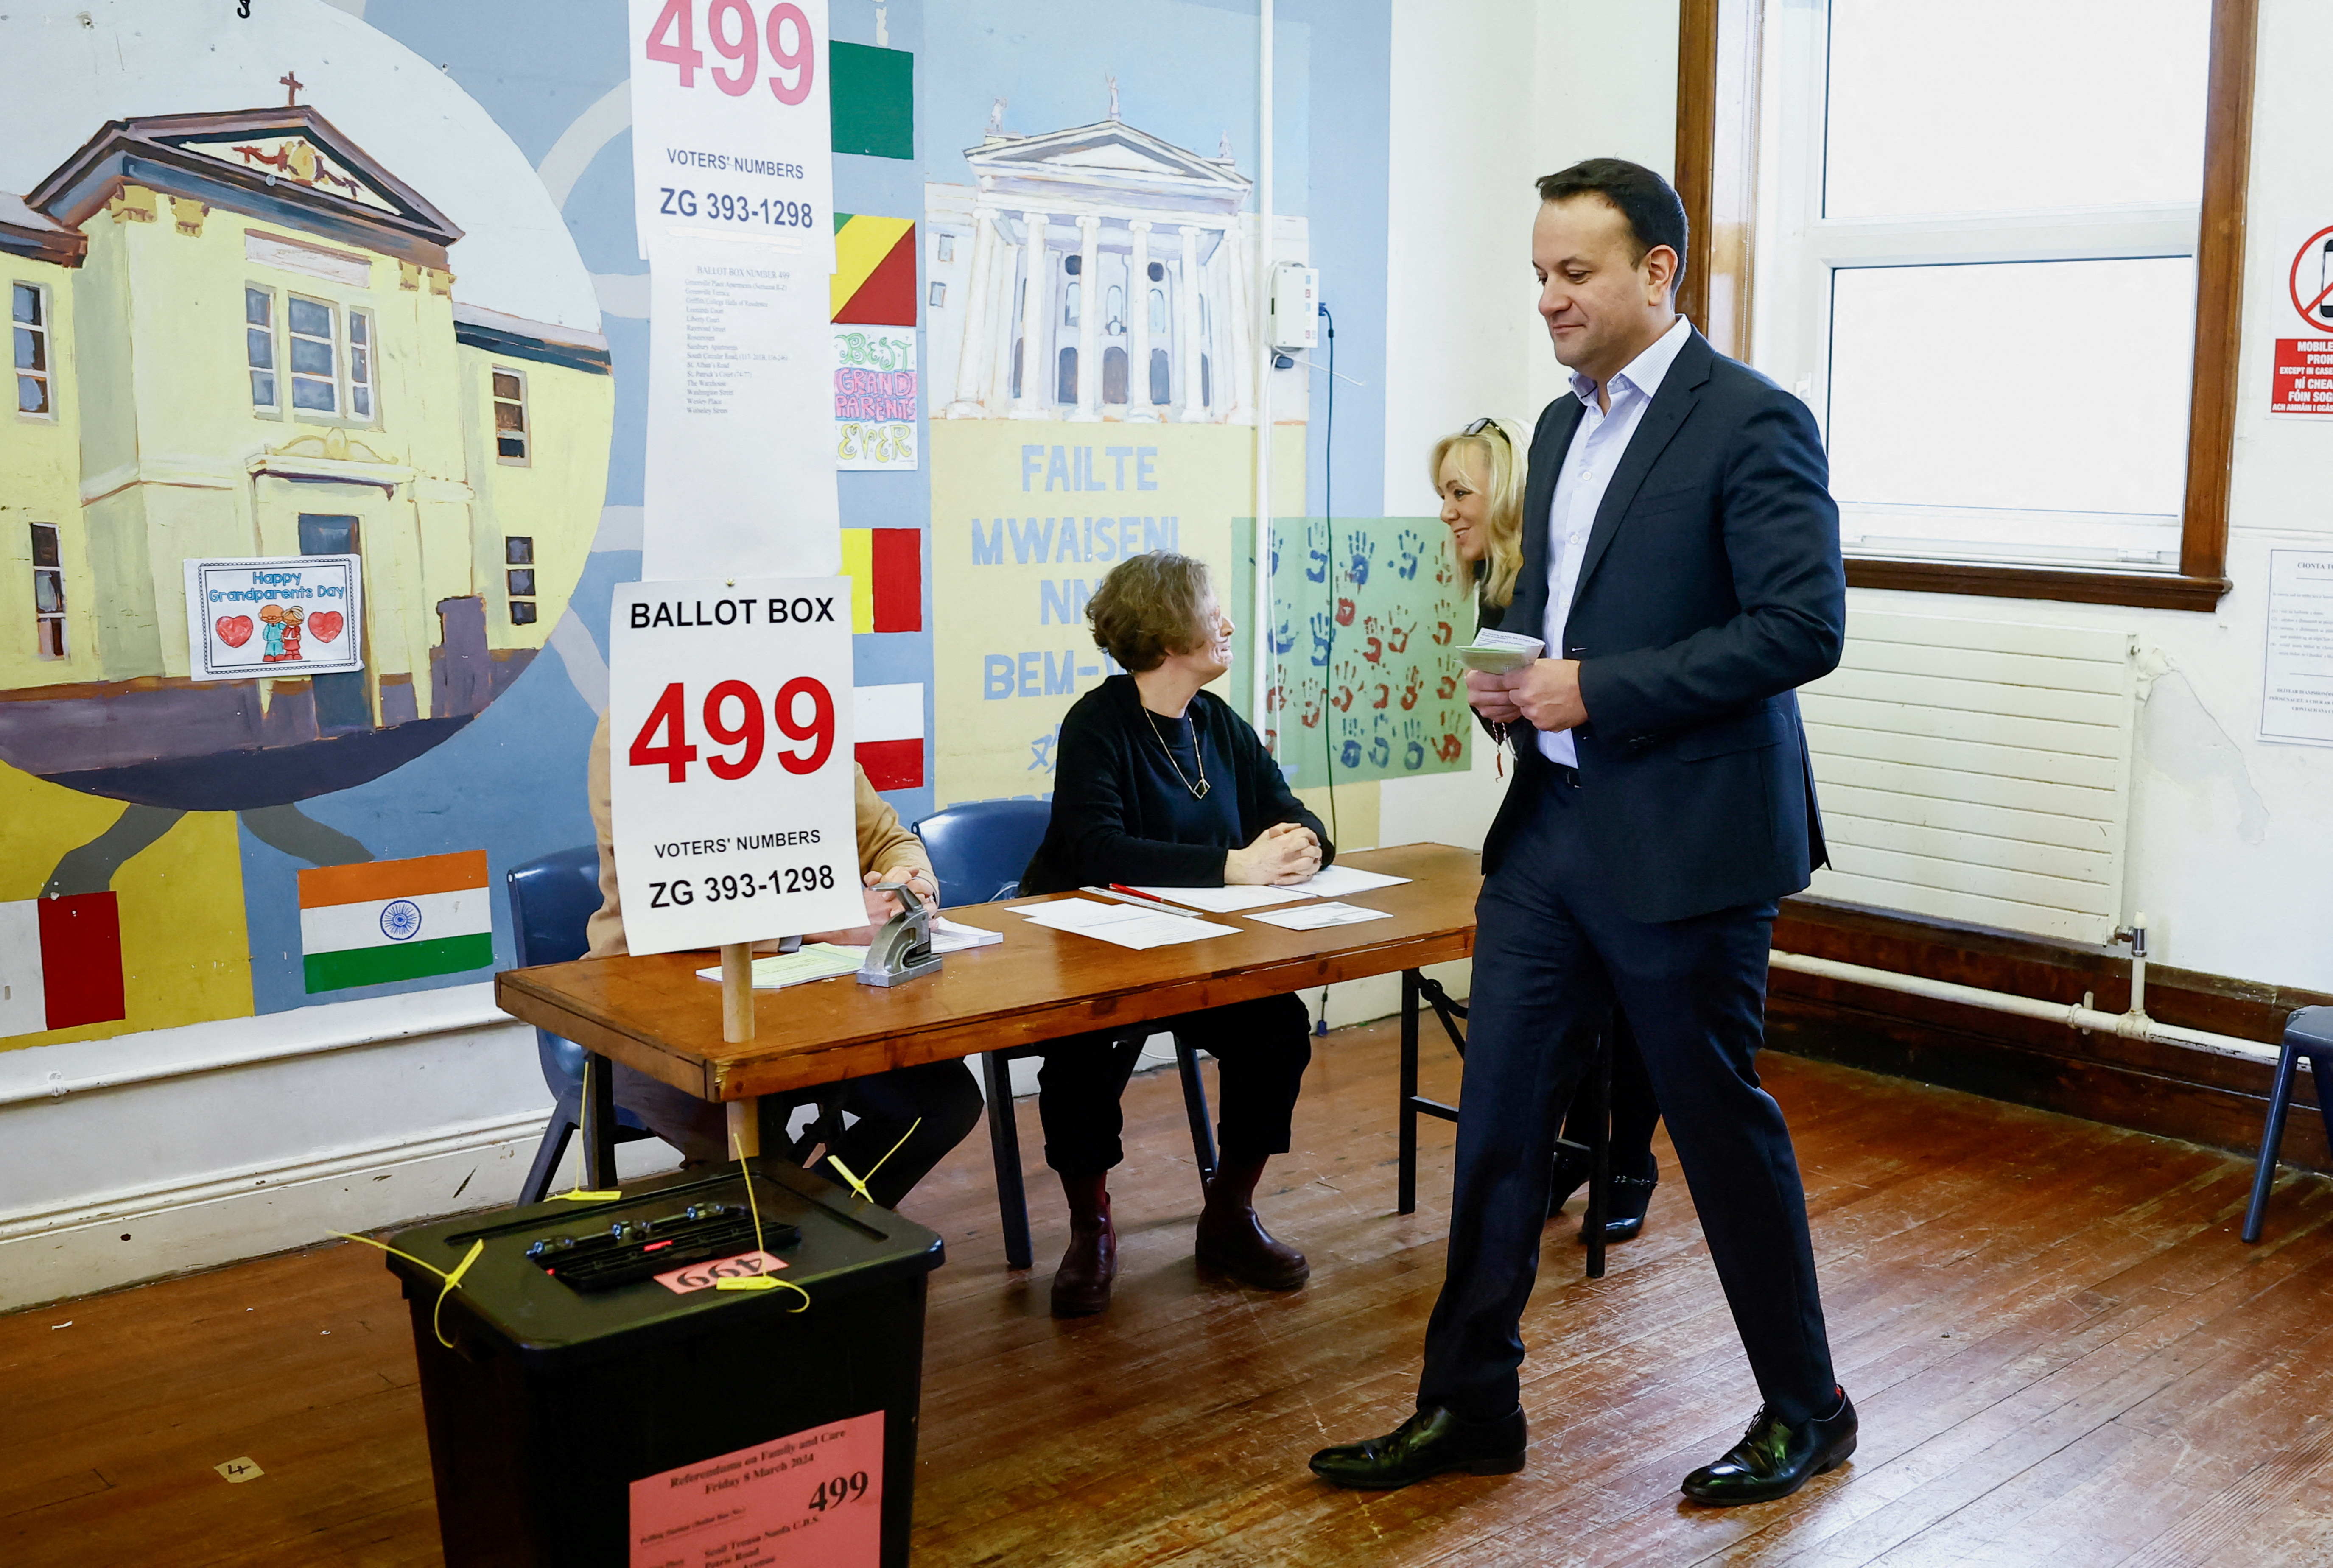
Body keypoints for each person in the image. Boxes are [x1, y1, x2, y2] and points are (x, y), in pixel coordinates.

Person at [1312, 158, 1852, 1506]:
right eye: (1538, 273)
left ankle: (1809, 1404)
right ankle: (1469, 1404)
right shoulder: (1557, 431)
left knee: (1718, 1130)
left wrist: (1595, 688)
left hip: (1687, 844)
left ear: (1655, 274)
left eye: (1575, 273)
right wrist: (1503, 675)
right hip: (1549, 830)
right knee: (1498, 1122)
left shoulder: (1751, 422)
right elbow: (1543, 607)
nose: (1546, 297)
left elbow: (1803, 628)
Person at [1018, 551, 1332, 1317]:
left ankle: (1229, 1212)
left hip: (1200, 957)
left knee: (1280, 1029)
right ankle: (1092, 1225)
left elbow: (1292, 812)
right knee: (1083, 1053)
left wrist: (1307, 846)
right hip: (1095, 956)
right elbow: (1097, 850)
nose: (1227, 624)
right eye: (1211, 612)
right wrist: (1234, 867)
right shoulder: (1097, 725)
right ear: (1164, 634)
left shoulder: (1217, 723)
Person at [582, 712, 983, 1208]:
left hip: (807, 998)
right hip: (654, 997)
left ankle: (819, 1225)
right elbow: (664, 898)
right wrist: (827, 921)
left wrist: (913, 885)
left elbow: (887, 838)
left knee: (941, 1103)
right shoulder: (638, 720)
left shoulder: (800, 711)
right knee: (748, 1149)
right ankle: (799, 1228)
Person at [1435, 417, 1665, 1245]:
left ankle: (1627, 1162)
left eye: (1459, 493)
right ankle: (1572, 1153)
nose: (1448, 513)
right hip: (1549, 813)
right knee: (1563, 1010)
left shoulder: (1550, 567)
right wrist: (1499, 707)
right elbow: (1533, 724)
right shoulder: (1494, 587)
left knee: (1629, 1008)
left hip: (1630, 810)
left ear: (1502, 495)